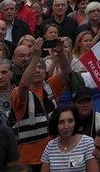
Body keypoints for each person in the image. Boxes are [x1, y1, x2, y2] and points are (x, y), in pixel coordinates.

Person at [11, 37, 72, 168]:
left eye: (40, 67)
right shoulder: (18, 92)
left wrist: (60, 52)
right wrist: (35, 57)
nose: (37, 70)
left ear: (45, 71)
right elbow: (23, 84)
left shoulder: (51, 85)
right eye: (33, 68)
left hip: (54, 155)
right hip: (29, 160)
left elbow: (66, 70)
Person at [41, 104, 100, 172]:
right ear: (55, 125)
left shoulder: (88, 143)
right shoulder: (50, 146)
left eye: (70, 121)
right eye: (61, 122)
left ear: (75, 122)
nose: (66, 126)